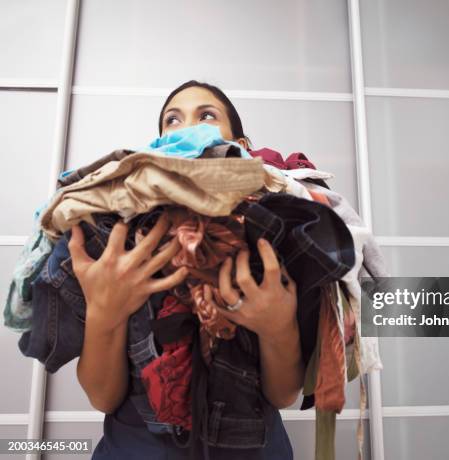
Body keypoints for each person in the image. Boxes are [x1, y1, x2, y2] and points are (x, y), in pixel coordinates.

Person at [70, 80, 303, 459]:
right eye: (172, 121)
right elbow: (102, 396)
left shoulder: (276, 237)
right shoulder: (124, 240)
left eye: (207, 116)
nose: (188, 129)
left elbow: (283, 394)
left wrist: (278, 329)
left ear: (241, 147)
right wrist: (104, 312)